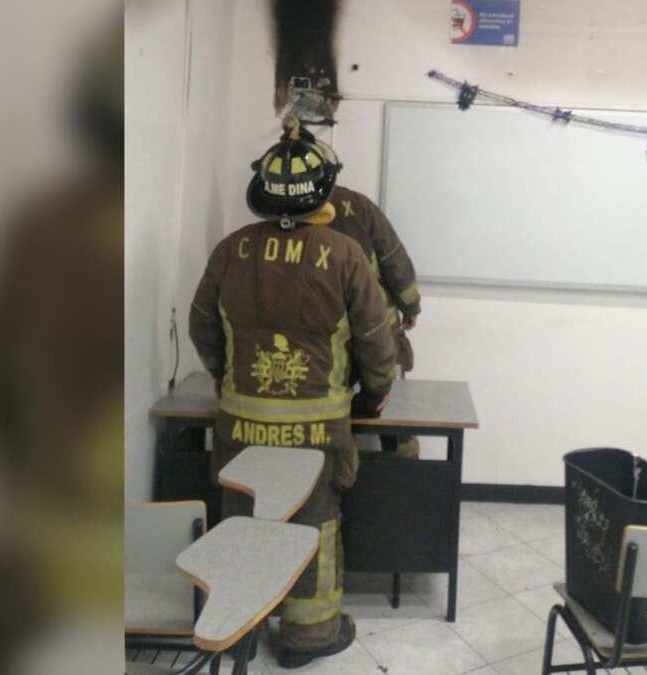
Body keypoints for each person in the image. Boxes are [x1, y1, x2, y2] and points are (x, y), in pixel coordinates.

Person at [189, 121, 396, 668]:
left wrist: (225, 374)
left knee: (242, 524)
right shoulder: (346, 255)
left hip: (241, 432)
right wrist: (373, 398)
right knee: (314, 530)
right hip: (317, 438)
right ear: (324, 192)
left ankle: (237, 628)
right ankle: (309, 637)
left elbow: (201, 324)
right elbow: (378, 343)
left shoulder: (231, 251)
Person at [313, 126, 420, 458]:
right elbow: (395, 262)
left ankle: (337, 474)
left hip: (322, 341)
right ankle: (400, 479)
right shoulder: (359, 207)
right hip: (374, 333)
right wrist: (410, 307)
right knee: (393, 414)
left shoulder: (282, 219)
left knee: (326, 411)